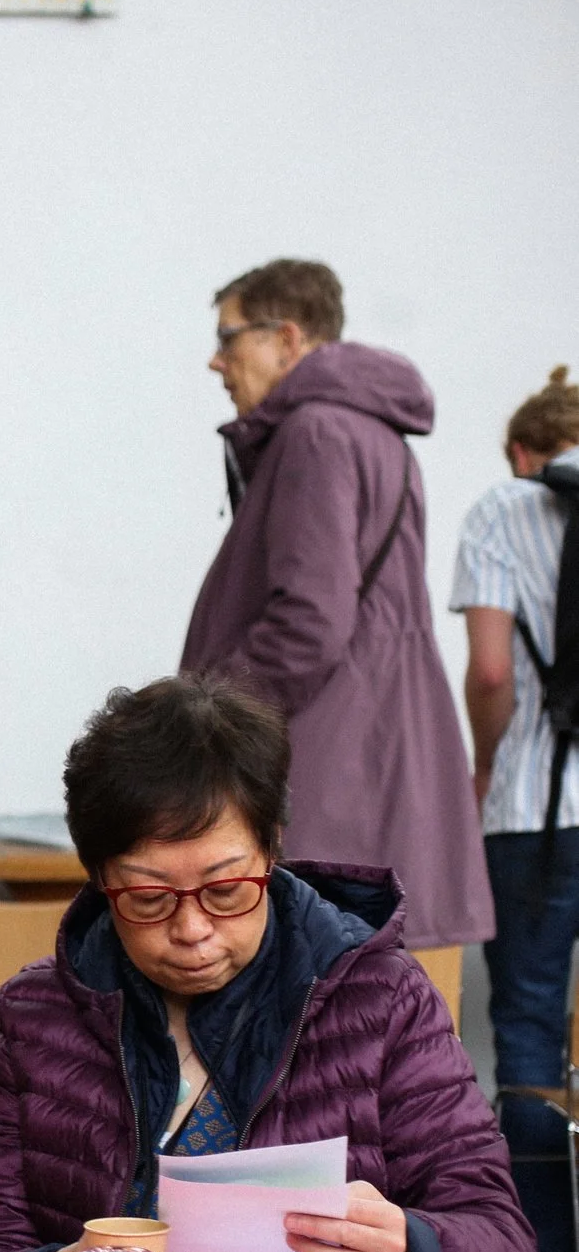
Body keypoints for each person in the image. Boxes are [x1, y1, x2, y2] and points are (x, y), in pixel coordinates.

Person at [0, 675, 534, 1252]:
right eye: (146, 898)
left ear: (272, 848)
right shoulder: (37, 1015)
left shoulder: (378, 997)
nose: (192, 931)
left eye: (226, 891)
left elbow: (501, 1237)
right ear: (97, 879)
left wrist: (411, 1248)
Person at [181, 258, 491, 952]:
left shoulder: (315, 432)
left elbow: (310, 623)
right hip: (378, 756)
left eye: (229, 337)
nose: (215, 360)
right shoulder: (376, 432)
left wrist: (200, 716)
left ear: (287, 338)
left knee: (305, 1016)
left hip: (328, 772)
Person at [451, 364, 579, 1252]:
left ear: (525, 451)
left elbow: (492, 672)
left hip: (537, 806)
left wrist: (488, 762)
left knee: (528, 1036)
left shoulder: (504, 507)